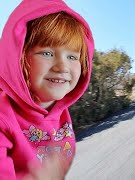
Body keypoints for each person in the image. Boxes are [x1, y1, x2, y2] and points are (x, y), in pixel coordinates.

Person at [0, 0, 94, 179]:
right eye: (47, 53)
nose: (62, 67)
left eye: (72, 56)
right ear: (19, 56)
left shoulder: (58, 109)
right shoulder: (3, 117)